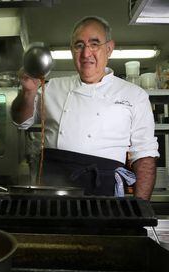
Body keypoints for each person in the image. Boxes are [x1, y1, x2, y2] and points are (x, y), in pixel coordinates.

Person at [11, 16, 159, 200]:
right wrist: (27, 92)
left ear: (109, 48)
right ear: (72, 50)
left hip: (103, 192)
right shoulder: (52, 87)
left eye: (94, 44)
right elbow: (21, 121)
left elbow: (144, 157)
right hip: (52, 189)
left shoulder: (135, 95)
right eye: (79, 45)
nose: (86, 53)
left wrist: (140, 208)